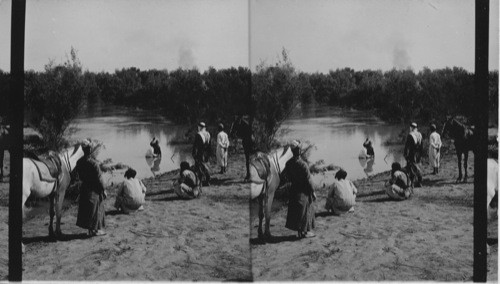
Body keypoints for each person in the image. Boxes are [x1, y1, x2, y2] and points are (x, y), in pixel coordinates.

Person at [284, 140, 316, 238]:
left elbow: (287, 177)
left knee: (297, 211)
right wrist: (313, 191)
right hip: (303, 189)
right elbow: (308, 180)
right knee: (306, 210)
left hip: (294, 189)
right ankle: (304, 232)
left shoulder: (288, 163)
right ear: (299, 150)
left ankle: (299, 232)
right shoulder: (303, 164)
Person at [76, 142, 106, 236]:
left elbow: (80, 176)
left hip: (85, 187)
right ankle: (95, 230)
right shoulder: (94, 163)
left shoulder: (79, 162)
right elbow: (99, 179)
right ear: (90, 150)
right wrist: (103, 190)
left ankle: (90, 229)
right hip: (94, 188)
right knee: (96, 209)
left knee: (87, 209)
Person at [403, 122, 423, 187]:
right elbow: (422, 146)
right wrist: (421, 154)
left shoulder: (410, 135)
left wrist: (405, 154)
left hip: (412, 154)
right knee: (418, 167)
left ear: (411, 127)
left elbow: (407, 146)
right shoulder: (419, 134)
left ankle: (412, 183)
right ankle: (419, 182)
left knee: (411, 168)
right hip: (418, 154)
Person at [192, 122, 211, 186]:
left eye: (198, 127)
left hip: (200, 152)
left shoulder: (198, 134)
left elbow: (195, 145)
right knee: (206, 166)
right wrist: (209, 153)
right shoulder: (208, 134)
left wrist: (194, 153)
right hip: (206, 152)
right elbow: (209, 145)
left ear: (199, 127)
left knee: (199, 167)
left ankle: (200, 182)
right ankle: (207, 180)